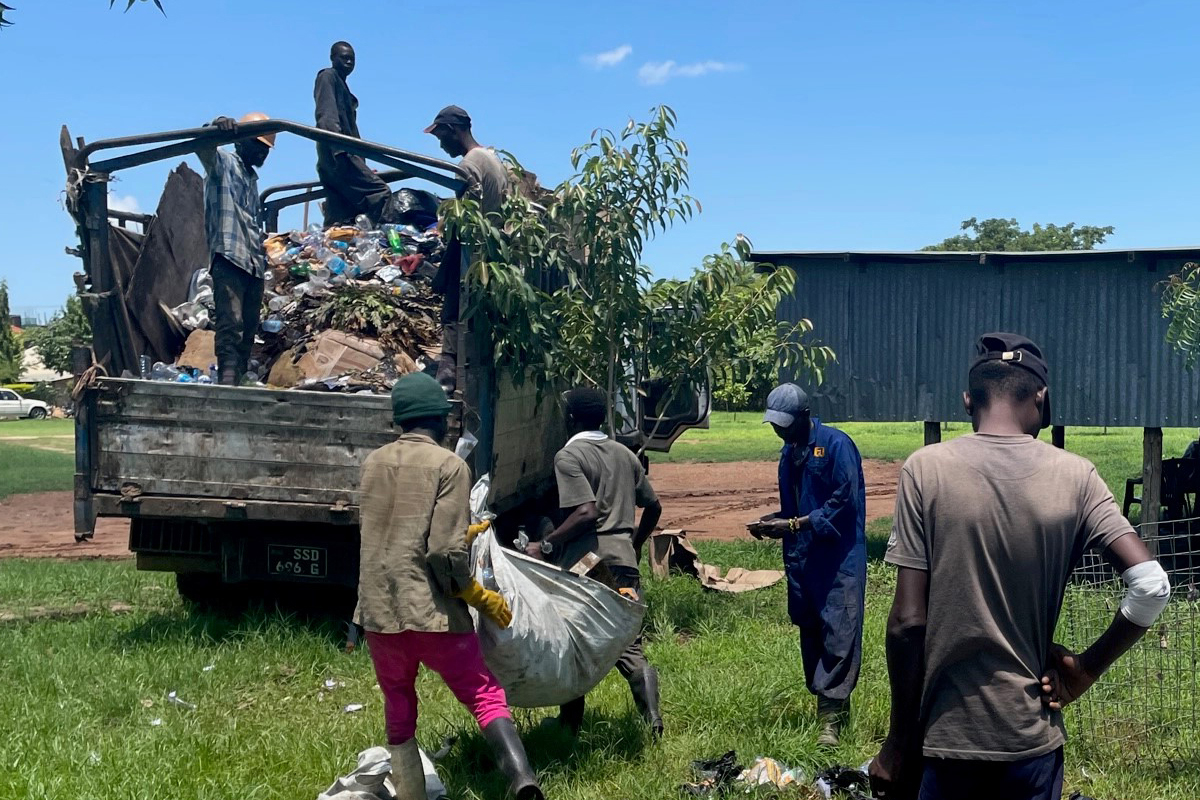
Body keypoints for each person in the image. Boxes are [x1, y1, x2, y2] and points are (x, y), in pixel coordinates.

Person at [870, 333, 1171, 800]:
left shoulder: (924, 470)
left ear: (969, 400)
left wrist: (898, 743)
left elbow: (909, 622)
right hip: (1031, 743)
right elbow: (1151, 585)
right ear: (1041, 398)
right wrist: (1087, 668)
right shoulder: (1077, 476)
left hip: (946, 741)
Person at [356, 372, 543, 800]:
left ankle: (411, 795)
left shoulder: (373, 462)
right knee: (484, 694)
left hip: (379, 614)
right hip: (433, 614)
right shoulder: (449, 465)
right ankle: (523, 781)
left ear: (399, 421)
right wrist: (476, 594)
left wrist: (466, 532)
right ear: (441, 421)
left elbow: (383, 535)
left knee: (399, 702)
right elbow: (443, 552)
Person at [524, 387, 665, 737]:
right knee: (629, 644)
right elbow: (654, 506)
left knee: (573, 640)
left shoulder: (568, 457)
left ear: (570, 419)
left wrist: (546, 545)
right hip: (624, 563)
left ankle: (569, 725)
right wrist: (633, 542)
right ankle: (653, 724)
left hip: (588, 564)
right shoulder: (623, 453)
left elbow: (586, 513)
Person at [747, 383, 866, 747]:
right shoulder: (789, 453)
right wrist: (775, 523)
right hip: (802, 560)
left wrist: (796, 524)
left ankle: (830, 722)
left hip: (837, 558)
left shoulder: (835, 445)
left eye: (785, 423)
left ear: (804, 415)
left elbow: (842, 501)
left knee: (839, 633)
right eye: (775, 425)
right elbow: (793, 508)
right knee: (810, 629)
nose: (779, 431)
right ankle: (828, 706)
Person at [423, 105, 510, 393]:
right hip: (490, 254)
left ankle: (447, 381)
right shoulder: (493, 159)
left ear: (453, 130)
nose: (440, 143)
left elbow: (466, 216)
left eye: (441, 136)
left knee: (452, 313)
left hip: (471, 255)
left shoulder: (467, 165)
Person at [197, 113, 274, 386]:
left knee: (249, 329)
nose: (263, 154)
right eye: (259, 146)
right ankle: (227, 381)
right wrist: (215, 126)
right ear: (242, 141)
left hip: (253, 264)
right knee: (231, 323)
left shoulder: (252, 180)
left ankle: (239, 378)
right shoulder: (224, 164)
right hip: (230, 256)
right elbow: (202, 145)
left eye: (267, 149)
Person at [314, 41, 392, 227]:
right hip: (338, 155)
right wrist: (342, 154)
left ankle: (336, 246)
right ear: (333, 58)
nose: (349, 62)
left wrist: (361, 164)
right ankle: (384, 238)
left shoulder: (343, 86)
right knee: (380, 194)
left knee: (341, 212)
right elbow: (326, 116)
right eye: (344, 58)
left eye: (352, 59)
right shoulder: (328, 77)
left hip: (339, 157)